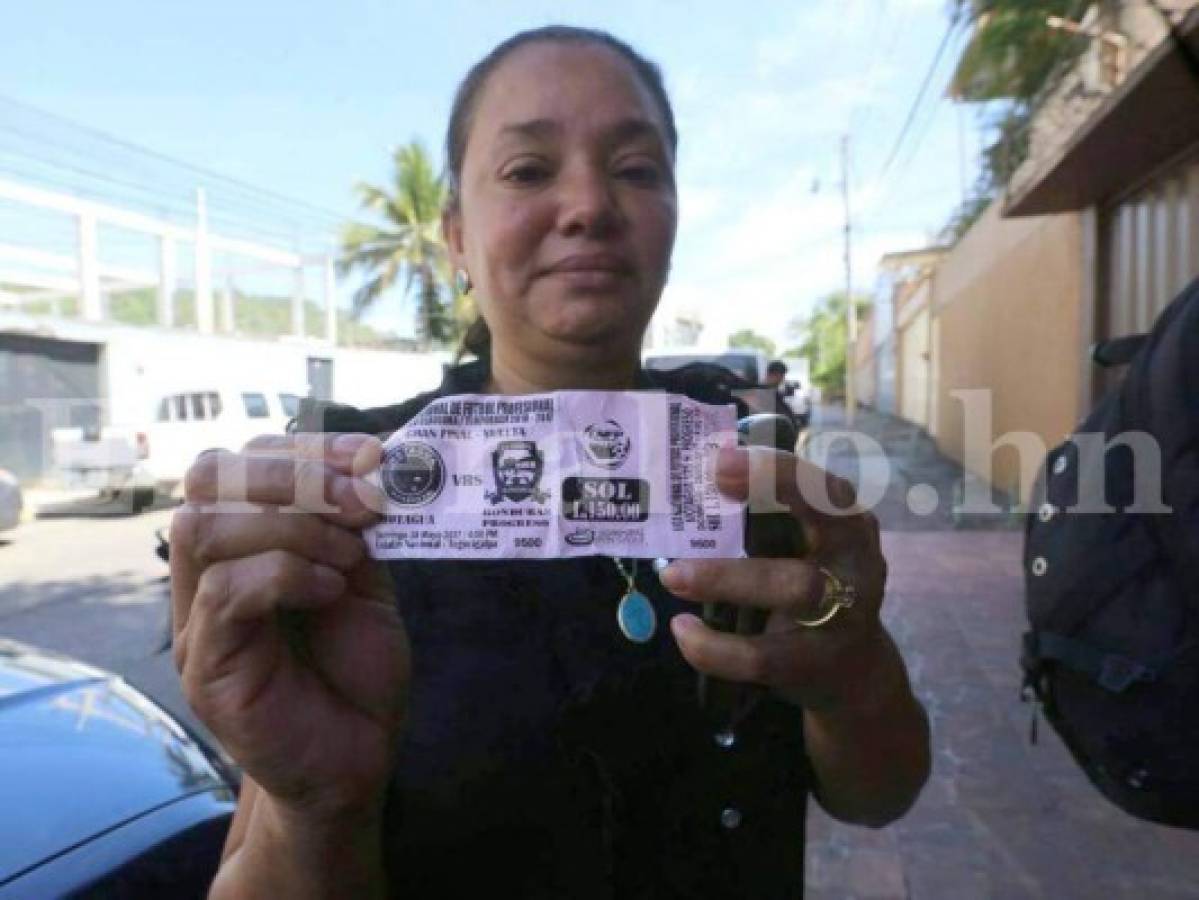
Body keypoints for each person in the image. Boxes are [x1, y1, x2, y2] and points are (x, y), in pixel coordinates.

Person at [170, 26, 930, 899]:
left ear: (674, 217)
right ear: (455, 236)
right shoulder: (348, 498)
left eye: (636, 169)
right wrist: (315, 809)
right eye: (529, 170)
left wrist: (852, 670)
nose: (588, 206)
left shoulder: (753, 467)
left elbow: (880, 793)